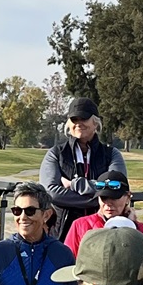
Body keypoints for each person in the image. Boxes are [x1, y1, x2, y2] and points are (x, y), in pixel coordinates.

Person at [40, 98, 128, 236]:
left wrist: (74, 184)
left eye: (84, 118)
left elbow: (115, 188)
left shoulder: (111, 154)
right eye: (75, 120)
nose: (79, 124)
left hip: (103, 231)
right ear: (69, 124)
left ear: (95, 122)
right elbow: (51, 193)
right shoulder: (56, 154)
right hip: (62, 233)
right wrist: (98, 198)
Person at [65, 175, 143, 256]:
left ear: (128, 197)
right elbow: (69, 262)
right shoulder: (80, 225)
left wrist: (131, 230)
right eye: (103, 198)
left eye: (114, 197)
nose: (108, 203)